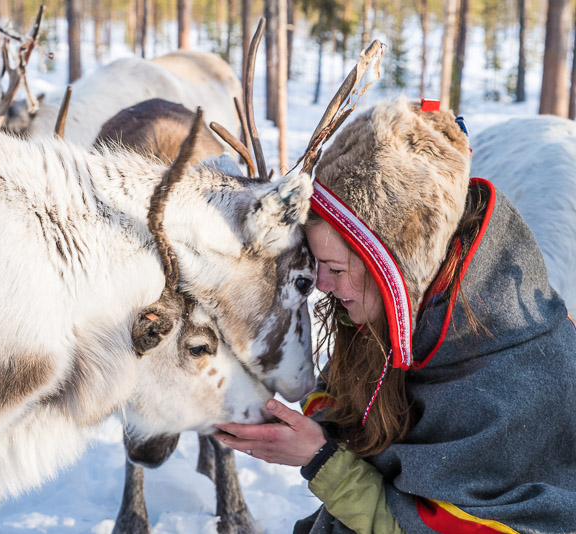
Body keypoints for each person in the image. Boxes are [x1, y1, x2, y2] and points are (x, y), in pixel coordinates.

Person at [215, 97, 576, 533]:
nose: (323, 286)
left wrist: (320, 460)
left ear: (398, 264)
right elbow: (351, 403)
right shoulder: (411, 317)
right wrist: (299, 424)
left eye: (333, 268)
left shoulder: (511, 384)